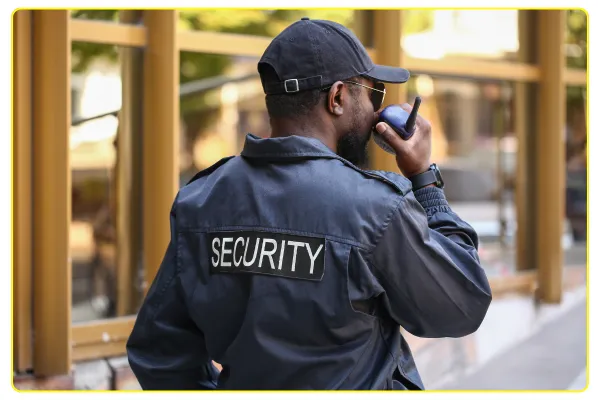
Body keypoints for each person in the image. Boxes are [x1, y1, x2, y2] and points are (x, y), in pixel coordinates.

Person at [126, 18, 492, 390]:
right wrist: (425, 179)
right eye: (373, 95)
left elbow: (160, 352)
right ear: (337, 98)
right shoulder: (375, 208)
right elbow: (462, 305)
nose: (376, 112)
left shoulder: (201, 201)